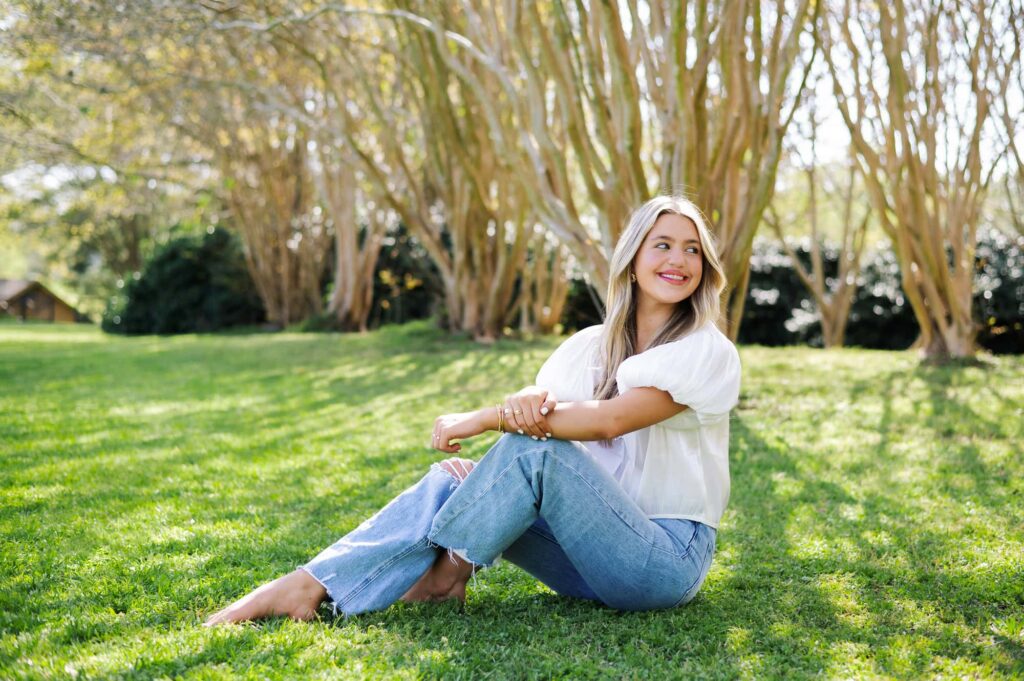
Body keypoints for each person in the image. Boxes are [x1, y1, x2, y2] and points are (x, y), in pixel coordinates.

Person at [205, 195, 741, 625]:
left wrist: (488, 417)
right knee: (457, 477)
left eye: (693, 250)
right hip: (587, 560)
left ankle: (444, 579)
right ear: (632, 257)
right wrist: (524, 405)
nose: (679, 260)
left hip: (663, 562)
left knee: (530, 457)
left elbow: (609, 419)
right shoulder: (587, 346)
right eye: (663, 244)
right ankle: (309, 584)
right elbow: (544, 418)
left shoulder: (703, 348)